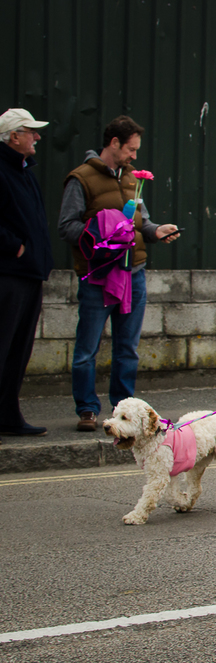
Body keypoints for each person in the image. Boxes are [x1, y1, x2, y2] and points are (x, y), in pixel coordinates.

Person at [57, 115, 180, 432]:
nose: (135, 157)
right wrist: (102, 233)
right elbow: (67, 226)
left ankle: (123, 412)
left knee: (128, 349)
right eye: (131, 149)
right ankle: (87, 409)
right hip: (98, 276)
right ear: (114, 143)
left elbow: (142, 222)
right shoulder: (80, 179)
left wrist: (157, 232)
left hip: (133, 275)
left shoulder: (131, 178)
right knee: (87, 350)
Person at [0, 108, 54, 441]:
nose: (36, 136)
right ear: (12, 136)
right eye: (30, 131)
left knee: (19, 350)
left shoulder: (22, 172)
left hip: (29, 273)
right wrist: (12, 246)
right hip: (8, 273)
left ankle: (8, 415)